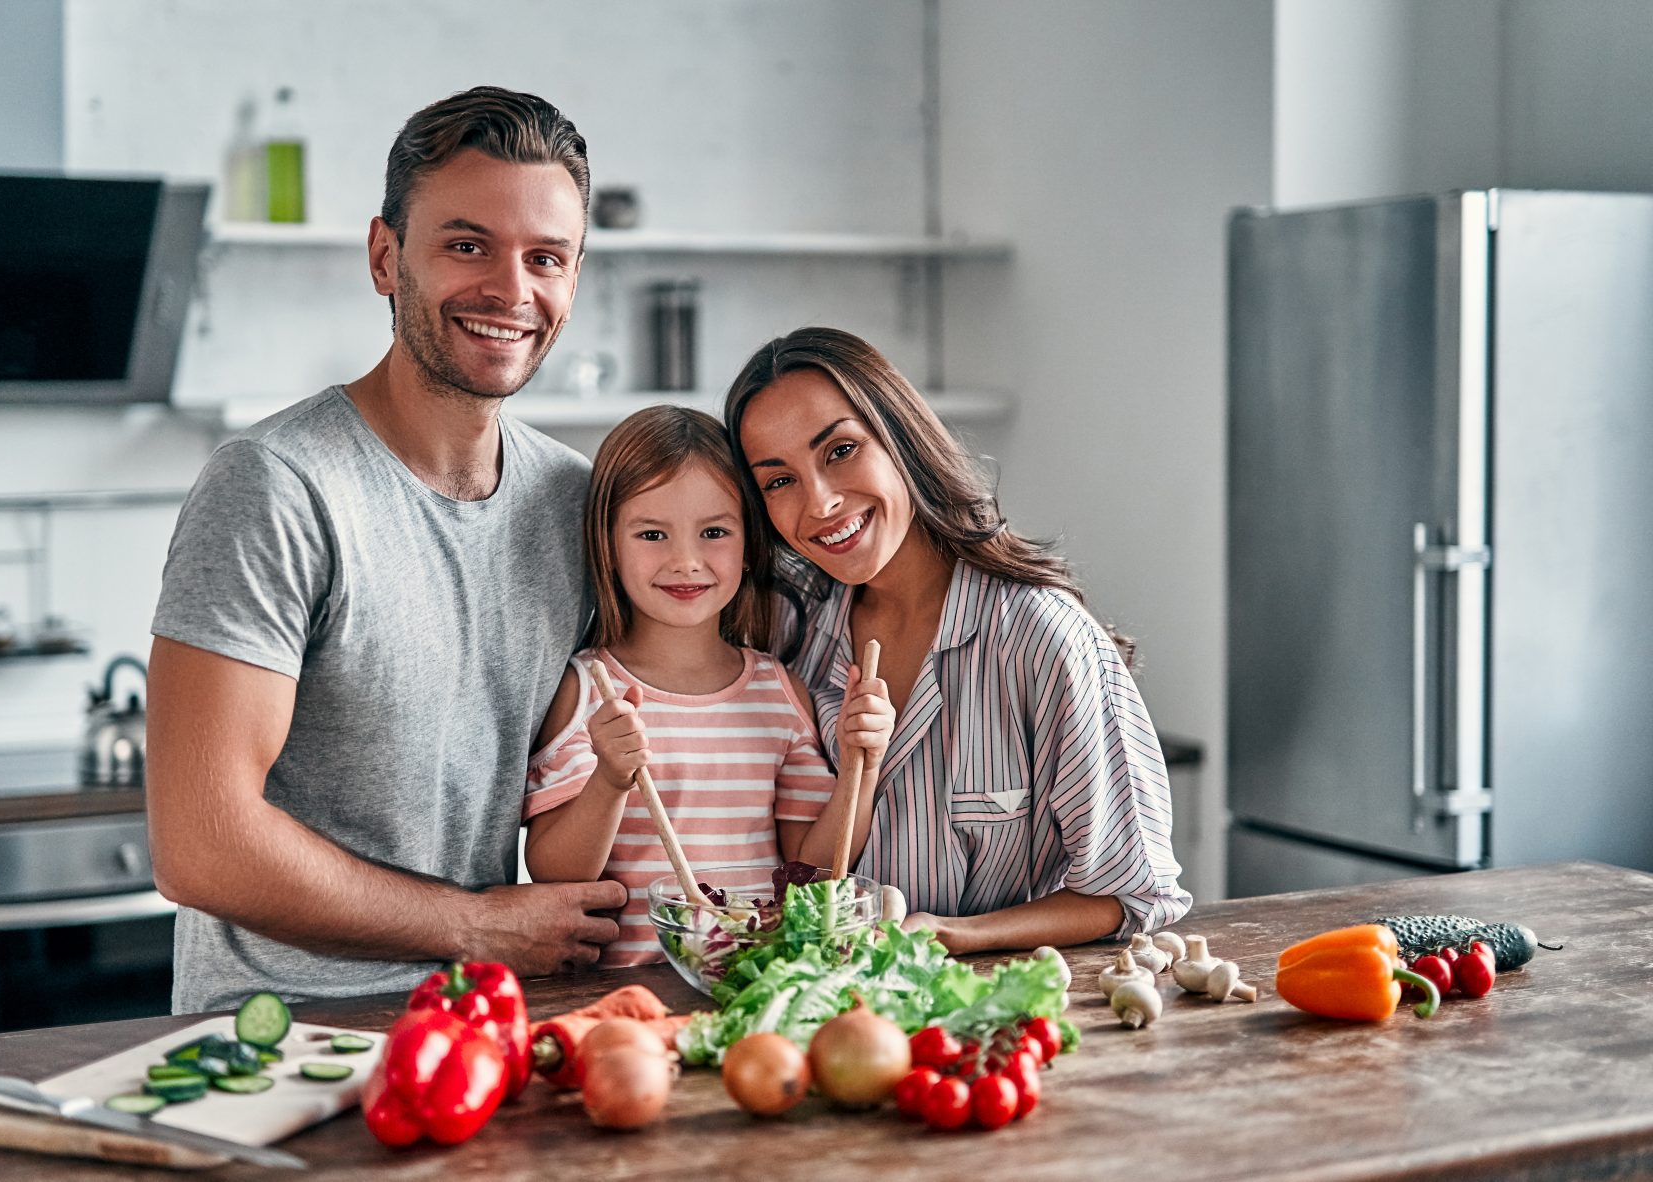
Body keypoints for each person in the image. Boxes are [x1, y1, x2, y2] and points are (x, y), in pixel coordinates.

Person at [145, 86, 627, 1014]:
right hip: (283, 1037)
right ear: (384, 256)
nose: (510, 290)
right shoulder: (277, 486)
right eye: (466, 245)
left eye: (546, 258)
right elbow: (200, 843)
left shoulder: (578, 502)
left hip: (484, 1025)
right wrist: (482, 927)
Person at [724, 327, 1192, 954]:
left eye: (839, 451)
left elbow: (1134, 893)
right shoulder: (785, 637)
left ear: (901, 439)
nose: (822, 502)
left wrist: (954, 935)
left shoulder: (1039, 637)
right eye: (779, 481)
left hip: (993, 1017)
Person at [521, 406, 895, 966]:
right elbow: (557, 872)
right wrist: (610, 780)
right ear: (608, 545)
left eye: (714, 532)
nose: (686, 561)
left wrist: (859, 767)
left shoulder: (779, 692)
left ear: (749, 546)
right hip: (629, 1000)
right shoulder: (586, 690)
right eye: (652, 534)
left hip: (754, 988)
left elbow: (813, 871)